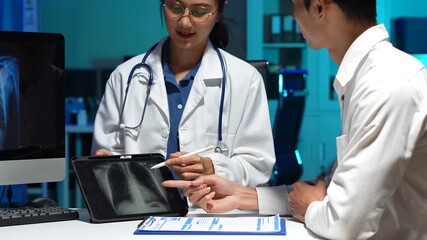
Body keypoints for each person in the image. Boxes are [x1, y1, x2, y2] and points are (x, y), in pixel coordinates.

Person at [162, 0, 427, 239]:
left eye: (295, 4)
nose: (293, 16)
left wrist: (311, 206)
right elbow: (328, 192)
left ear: (320, 8)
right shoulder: (366, 77)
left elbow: (345, 223)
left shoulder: (386, 85)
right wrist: (239, 195)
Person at [91, 0, 275, 187]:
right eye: (176, 8)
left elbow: (258, 166)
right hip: (143, 208)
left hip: (214, 210)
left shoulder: (245, 79)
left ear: (218, 13)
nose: (185, 22)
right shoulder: (125, 77)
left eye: (200, 11)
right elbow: (105, 157)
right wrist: (108, 166)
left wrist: (214, 168)